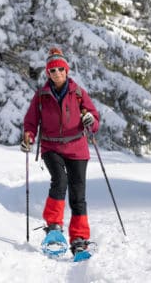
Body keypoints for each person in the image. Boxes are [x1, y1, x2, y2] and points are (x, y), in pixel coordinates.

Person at [21, 47, 100, 255]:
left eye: (59, 69)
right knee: (60, 180)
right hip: (51, 146)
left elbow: (93, 118)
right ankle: (54, 228)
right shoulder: (41, 96)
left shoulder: (78, 93)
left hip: (77, 147)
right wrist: (28, 136)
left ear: (66, 71)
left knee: (78, 193)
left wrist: (90, 120)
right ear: (48, 73)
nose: (56, 73)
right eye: (52, 70)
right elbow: (31, 122)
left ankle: (79, 238)